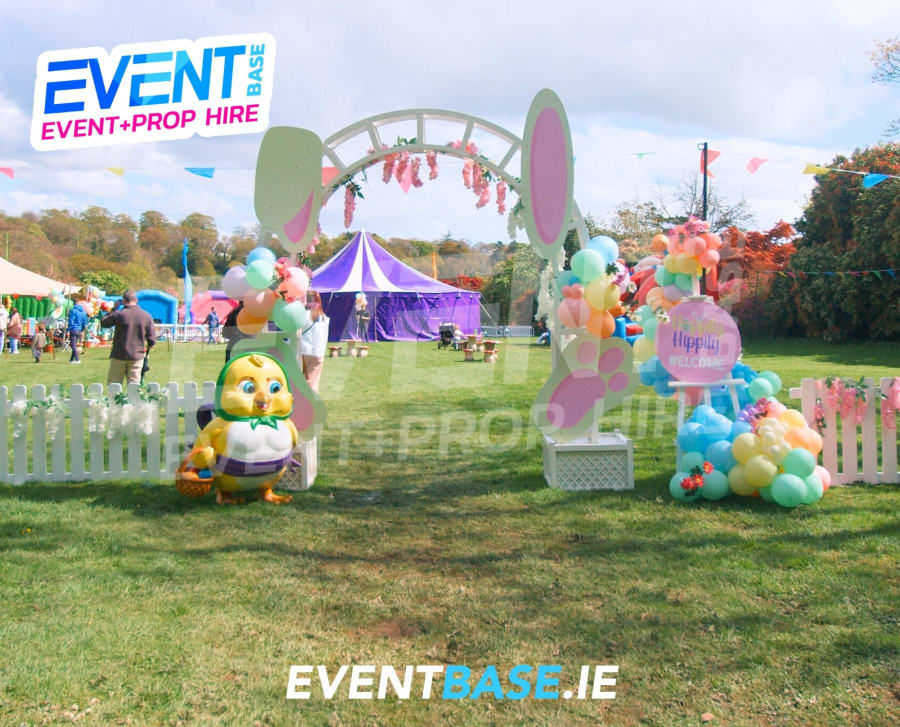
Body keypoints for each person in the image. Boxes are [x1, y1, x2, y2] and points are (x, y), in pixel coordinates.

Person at [100, 289, 156, 385]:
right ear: (136, 300)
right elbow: (152, 339)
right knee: (134, 386)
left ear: (124, 301)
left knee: (114, 386)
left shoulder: (119, 314)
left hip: (119, 355)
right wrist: (149, 346)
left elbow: (104, 322)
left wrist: (113, 309)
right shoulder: (146, 316)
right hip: (137, 356)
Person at [301, 290, 329, 393]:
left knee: (299, 382)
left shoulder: (303, 315)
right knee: (312, 383)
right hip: (318, 353)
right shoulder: (325, 318)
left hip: (303, 351)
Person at [67, 296, 89, 364]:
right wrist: (82, 330)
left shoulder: (73, 311)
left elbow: (71, 321)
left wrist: (68, 330)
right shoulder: (84, 312)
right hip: (79, 329)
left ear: (74, 303)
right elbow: (85, 322)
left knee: (73, 345)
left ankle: (77, 359)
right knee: (74, 344)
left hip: (74, 329)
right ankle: (71, 359)